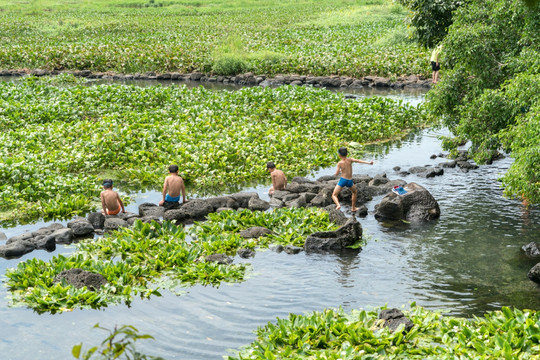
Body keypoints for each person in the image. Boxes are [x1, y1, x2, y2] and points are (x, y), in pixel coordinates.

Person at [332, 147, 374, 211]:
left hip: (343, 180)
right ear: (347, 154)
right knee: (354, 192)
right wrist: (369, 163)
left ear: (339, 155)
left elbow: (337, 173)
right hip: (349, 181)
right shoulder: (350, 160)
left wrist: (336, 173)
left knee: (334, 195)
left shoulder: (339, 163)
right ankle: (353, 208)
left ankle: (338, 205)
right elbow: (359, 161)